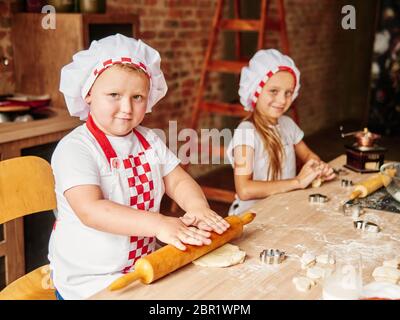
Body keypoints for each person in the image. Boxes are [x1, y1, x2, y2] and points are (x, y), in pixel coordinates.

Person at [49, 34, 229, 300]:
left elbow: (178, 181)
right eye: (114, 95)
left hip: (142, 267)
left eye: (137, 97)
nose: (126, 107)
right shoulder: (76, 148)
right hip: (88, 281)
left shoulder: (149, 140)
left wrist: (197, 207)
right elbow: (91, 210)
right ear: (88, 94)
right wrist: (159, 224)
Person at [226, 49, 336, 215]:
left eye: (288, 93)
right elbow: (245, 189)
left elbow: (308, 156)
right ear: (256, 92)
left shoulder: (288, 125)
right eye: (274, 91)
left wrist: (318, 168)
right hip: (252, 215)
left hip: (282, 208)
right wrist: (297, 181)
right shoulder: (246, 133)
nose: (282, 100)